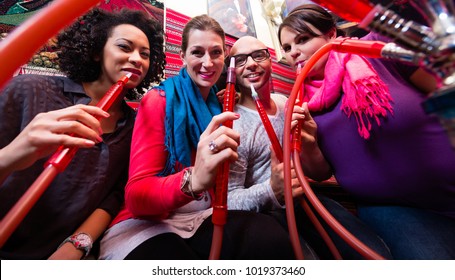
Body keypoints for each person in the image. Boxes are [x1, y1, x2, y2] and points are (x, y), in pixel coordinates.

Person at [99, 14, 295, 260]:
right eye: (197, 52)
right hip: (146, 224)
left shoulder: (222, 105)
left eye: (215, 53)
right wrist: (192, 181)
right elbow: (136, 197)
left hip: (202, 216)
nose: (208, 63)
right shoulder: (158, 101)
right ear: (182, 56)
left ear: (225, 58)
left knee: (271, 239)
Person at [278, 4, 455, 259]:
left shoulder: (376, 49)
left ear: (330, 35)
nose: (294, 52)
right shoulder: (298, 103)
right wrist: (307, 141)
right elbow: (321, 171)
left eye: (303, 40)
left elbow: (443, 89)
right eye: (286, 48)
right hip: (389, 208)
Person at [0, 7, 166, 259]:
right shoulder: (30, 90)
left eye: (145, 54)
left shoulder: (135, 126)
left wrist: (77, 244)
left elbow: (115, 195)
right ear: (97, 51)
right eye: (125, 47)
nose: (137, 59)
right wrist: (15, 153)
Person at [226, 35, 392, 260]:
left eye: (258, 55)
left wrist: (311, 142)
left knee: (373, 253)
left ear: (270, 60)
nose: (252, 64)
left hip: (307, 200)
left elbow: (321, 174)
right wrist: (271, 189)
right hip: (268, 215)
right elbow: (227, 200)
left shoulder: (288, 103)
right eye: (241, 60)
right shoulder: (232, 125)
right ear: (232, 71)